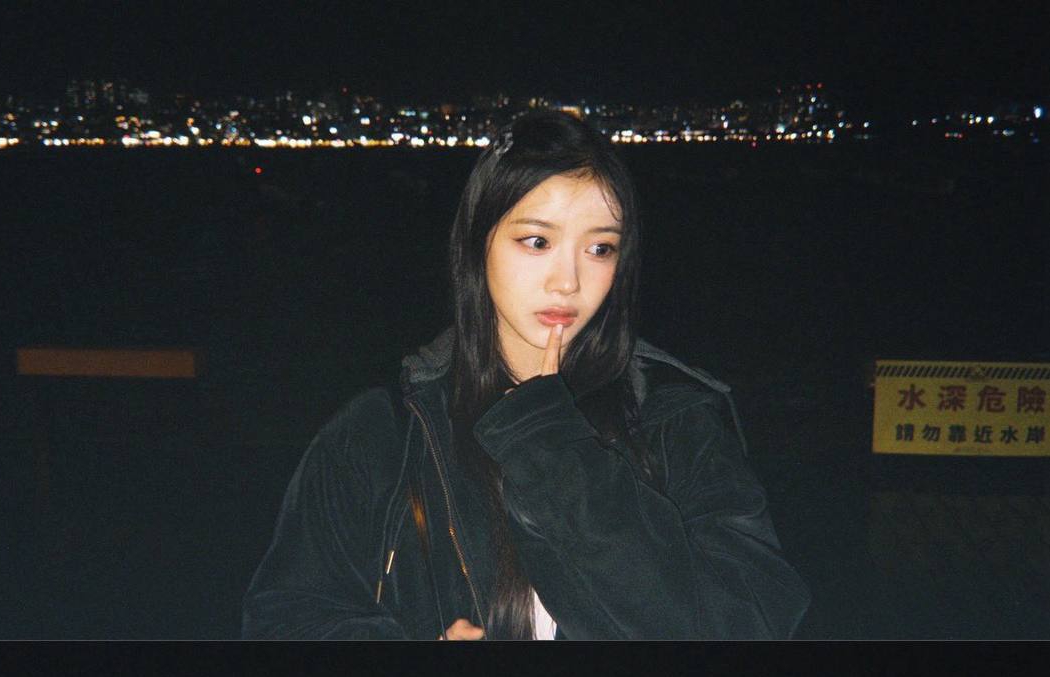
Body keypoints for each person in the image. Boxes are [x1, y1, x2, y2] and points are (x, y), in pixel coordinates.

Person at [241, 111, 809, 639]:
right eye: (537, 241)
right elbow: (288, 617)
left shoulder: (675, 416)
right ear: (478, 243)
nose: (568, 281)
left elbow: (744, 623)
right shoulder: (389, 427)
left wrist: (552, 439)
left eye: (600, 248)